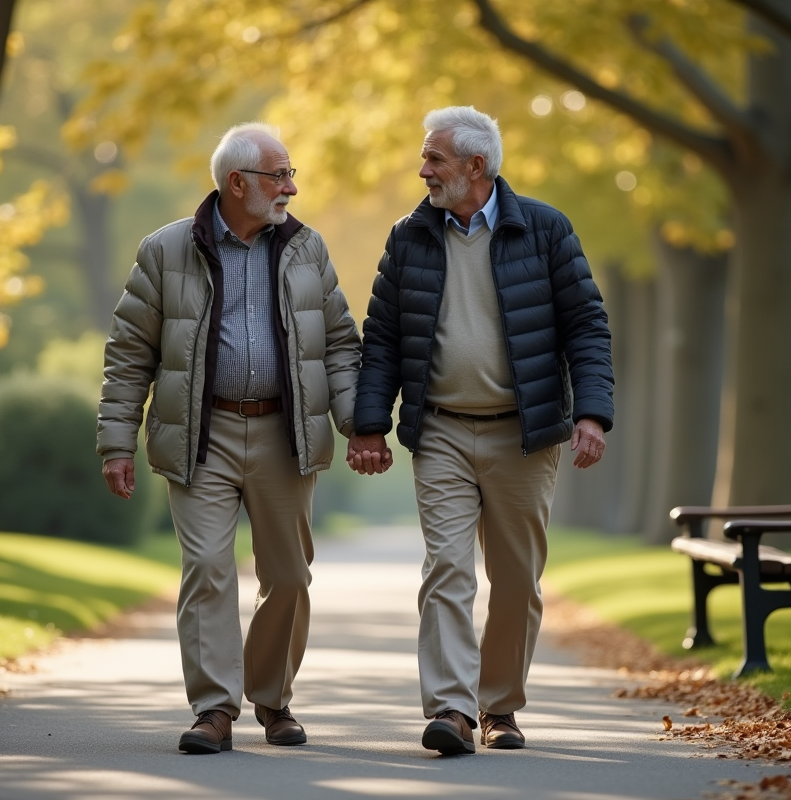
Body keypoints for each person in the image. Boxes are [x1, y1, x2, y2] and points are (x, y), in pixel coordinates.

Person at [348, 106, 614, 755]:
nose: (423, 170)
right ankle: (452, 709)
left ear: (476, 166)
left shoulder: (546, 230)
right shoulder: (409, 236)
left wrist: (592, 413)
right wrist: (369, 425)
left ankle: (500, 708)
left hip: (524, 434)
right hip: (439, 429)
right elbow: (380, 337)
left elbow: (586, 325)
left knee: (517, 577)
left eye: (434, 159)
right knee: (446, 567)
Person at [97, 122, 362, 755]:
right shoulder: (164, 251)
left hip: (284, 433)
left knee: (289, 576)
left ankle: (272, 698)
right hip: (201, 434)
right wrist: (115, 441)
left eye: (292, 174)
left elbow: (341, 345)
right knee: (209, 568)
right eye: (280, 175)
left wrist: (363, 426)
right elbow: (129, 352)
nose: (291, 188)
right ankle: (214, 709)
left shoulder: (307, 250)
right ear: (236, 183)